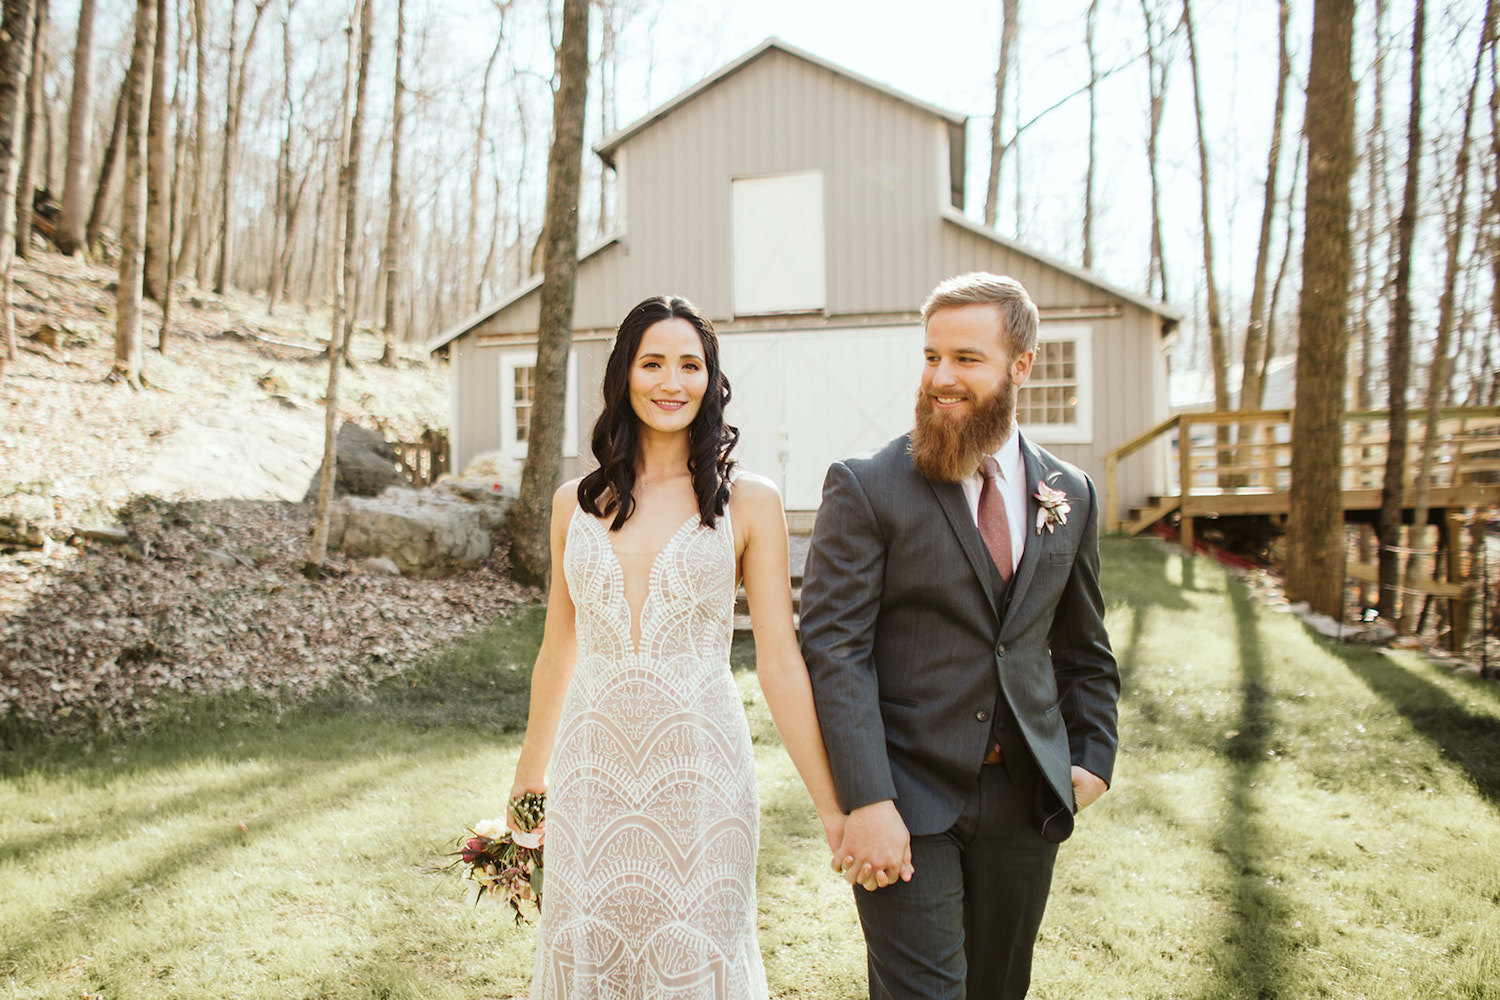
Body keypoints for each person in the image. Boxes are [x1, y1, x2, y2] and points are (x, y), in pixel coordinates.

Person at [507, 294, 844, 1000]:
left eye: (690, 365)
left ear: (711, 380)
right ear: (624, 375)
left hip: (701, 780)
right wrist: (529, 778)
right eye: (652, 362)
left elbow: (780, 661)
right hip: (591, 777)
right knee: (585, 957)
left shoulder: (750, 501)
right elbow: (556, 651)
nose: (672, 382)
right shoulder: (574, 501)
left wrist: (832, 807)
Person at [799, 272, 1120, 1000]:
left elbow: (1084, 648)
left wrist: (1094, 755)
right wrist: (867, 800)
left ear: (1021, 365)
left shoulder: (1070, 492)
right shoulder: (867, 486)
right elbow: (835, 651)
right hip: (905, 797)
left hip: (1027, 796)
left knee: (1000, 989)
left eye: (966, 359)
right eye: (931, 356)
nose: (940, 378)